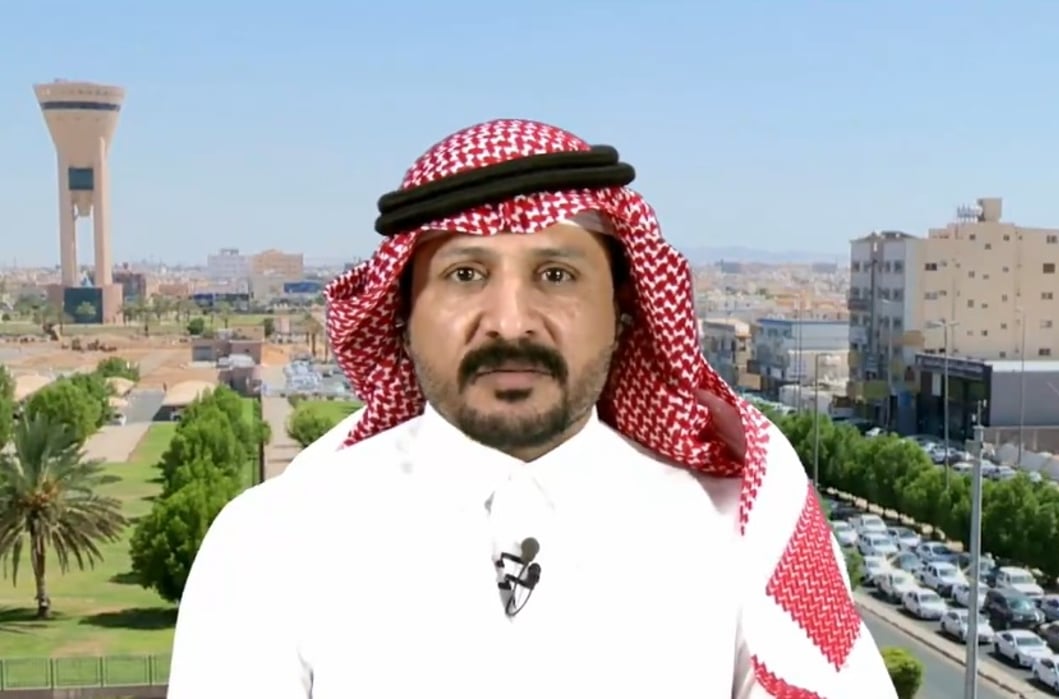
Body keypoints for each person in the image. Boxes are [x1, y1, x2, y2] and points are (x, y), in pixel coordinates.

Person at [167, 119, 896, 698]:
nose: (510, 321)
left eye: (556, 273)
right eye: (464, 274)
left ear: (623, 310)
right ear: (402, 313)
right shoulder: (275, 542)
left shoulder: (735, 534)